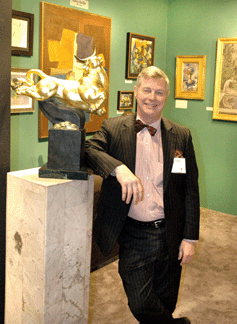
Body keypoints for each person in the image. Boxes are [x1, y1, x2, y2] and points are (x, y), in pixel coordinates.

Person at [85, 66, 200, 324]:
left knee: (166, 299)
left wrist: (190, 238)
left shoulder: (181, 135)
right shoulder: (114, 128)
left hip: (171, 229)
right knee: (140, 301)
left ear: (166, 96)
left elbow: (190, 189)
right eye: (146, 90)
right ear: (136, 92)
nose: (152, 97)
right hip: (134, 233)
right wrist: (118, 169)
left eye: (159, 92)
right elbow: (89, 148)